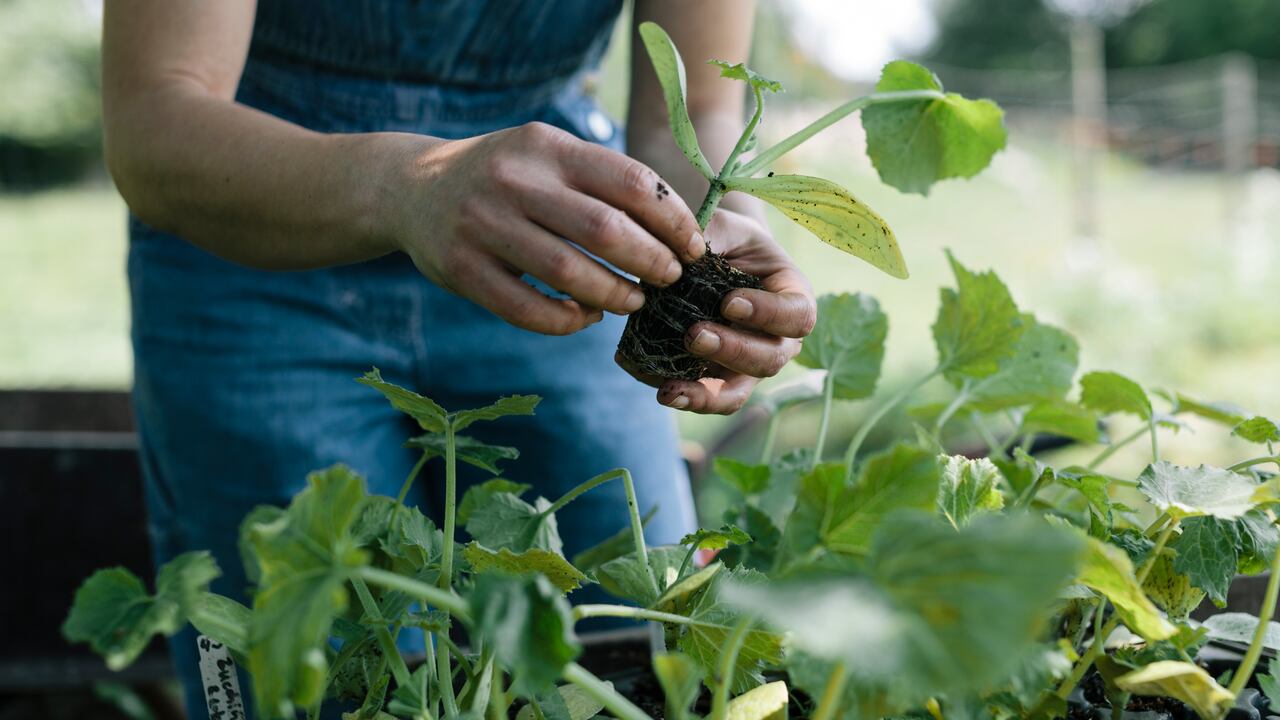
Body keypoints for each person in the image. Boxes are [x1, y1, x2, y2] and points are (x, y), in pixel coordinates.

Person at [103, 0, 815, 715]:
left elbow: (688, 113)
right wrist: (405, 184)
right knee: (299, 674)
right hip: (254, 230)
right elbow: (154, 120)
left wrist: (724, 250)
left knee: (646, 640)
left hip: (551, 242)